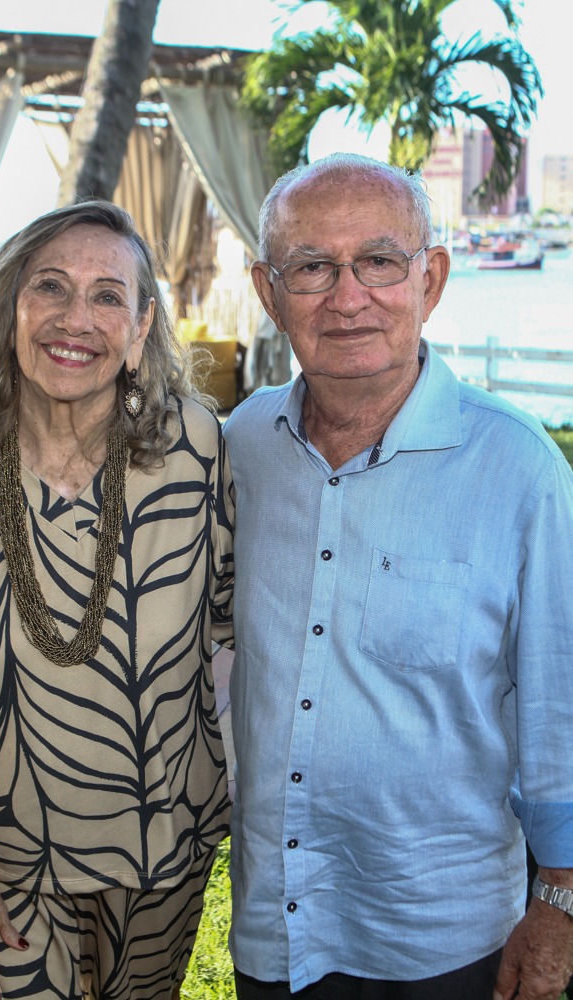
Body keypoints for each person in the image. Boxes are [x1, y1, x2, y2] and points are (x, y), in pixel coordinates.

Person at [222, 153, 573, 1000]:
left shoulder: (516, 466)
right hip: (276, 924)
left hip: (443, 936)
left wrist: (558, 902)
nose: (347, 298)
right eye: (311, 267)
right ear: (269, 293)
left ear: (431, 279)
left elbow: (558, 704)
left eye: (378, 261)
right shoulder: (237, 448)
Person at [0, 201, 233, 1000]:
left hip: (163, 843)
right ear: (9, 305)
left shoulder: (194, 448)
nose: (75, 319)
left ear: (141, 326)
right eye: (49, 286)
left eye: (107, 296)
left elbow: (235, 619)